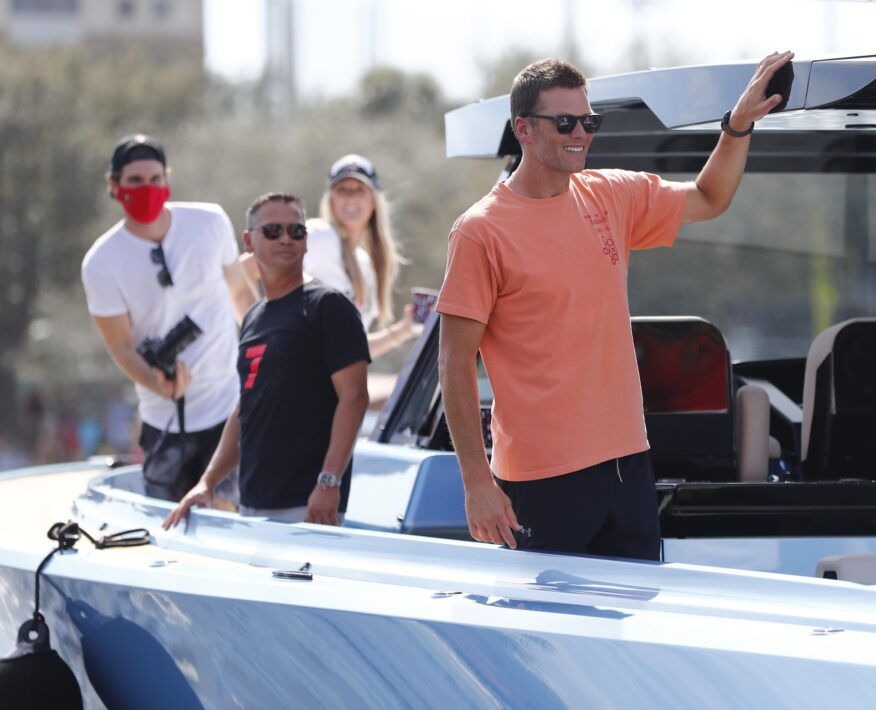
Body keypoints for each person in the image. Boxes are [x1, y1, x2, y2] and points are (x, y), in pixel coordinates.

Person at [437, 52, 794, 560]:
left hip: (629, 465)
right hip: (542, 480)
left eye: (589, 121)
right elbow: (454, 364)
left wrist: (736, 127)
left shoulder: (610, 195)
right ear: (524, 129)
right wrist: (475, 482)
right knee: (550, 634)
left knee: (630, 637)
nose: (580, 132)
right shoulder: (480, 231)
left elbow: (710, 198)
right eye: (565, 122)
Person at [164, 193, 369, 528]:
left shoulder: (329, 306)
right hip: (254, 505)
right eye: (273, 231)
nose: (286, 239)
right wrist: (207, 483)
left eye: (296, 231)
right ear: (249, 241)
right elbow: (247, 406)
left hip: (309, 506)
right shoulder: (254, 317)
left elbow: (355, 397)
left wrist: (328, 482)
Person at [81, 135, 256, 501]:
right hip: (163, 422)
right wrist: (157, 382)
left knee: (239, 523)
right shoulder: (101, 261)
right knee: (168, 532)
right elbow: (122, 347)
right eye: (135, 181)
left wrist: (267, 358)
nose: (147, 188)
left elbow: (240, 295)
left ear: (167, 180)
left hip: (229, 413)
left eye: (155, 179)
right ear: (114, 185)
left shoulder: (209, 222)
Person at [241, 154, 418, 359]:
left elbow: (351, 350)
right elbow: (245, 268)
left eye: (360, 190)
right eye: (342, 189)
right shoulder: (320, 235)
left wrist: (404, 330)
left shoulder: (364, 264)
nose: (351, 198)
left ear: (374, 201)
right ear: (331, 199)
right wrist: (263, 338)